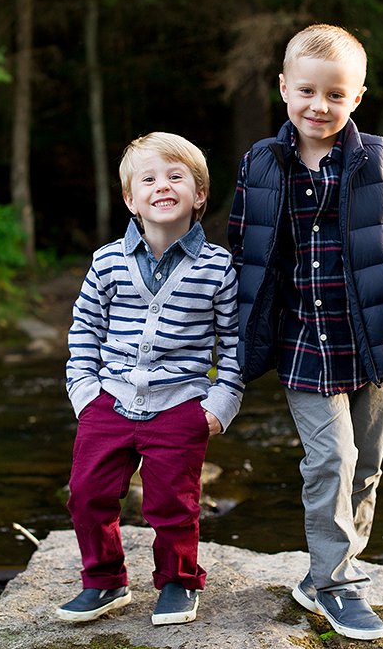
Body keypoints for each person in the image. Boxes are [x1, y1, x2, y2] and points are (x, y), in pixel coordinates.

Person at [227, 23, 383, 641]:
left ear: (357, 97)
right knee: (331, 459)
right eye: (307, 91)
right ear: (284, 88)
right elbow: (243, 245)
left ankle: (341, 561)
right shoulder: (262, 160)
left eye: (336, 95)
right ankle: (331, 582)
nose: (320, 106)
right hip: (301, 342)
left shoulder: (381, 159)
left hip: (369, 334)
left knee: (366, 462)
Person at [59, 132, 242, 627]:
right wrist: (85, 393)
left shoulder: (217, 267)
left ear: (198, 194)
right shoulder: (107, 261)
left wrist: (218, 407)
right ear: (130, 198)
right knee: (87, 492)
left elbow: (233, 346)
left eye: (176, 176)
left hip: (180, 405)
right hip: (110, 401)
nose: (163, 186)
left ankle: (179, 582)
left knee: (172, 504)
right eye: (149, 178)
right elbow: (84, 331)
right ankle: (104, 581)